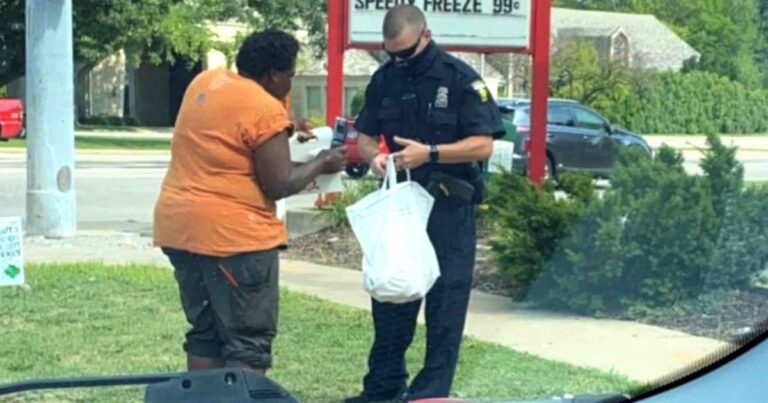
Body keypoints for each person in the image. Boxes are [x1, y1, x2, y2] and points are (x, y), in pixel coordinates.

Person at [153, 29, 346, 374]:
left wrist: (285, 126)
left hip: (179, 229)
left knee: (206, 334)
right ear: (273, 74)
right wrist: (322, 162)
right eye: (290, 75)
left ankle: (203, 398)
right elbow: (278, 183)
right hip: (235, 240)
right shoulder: (264, 110)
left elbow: (235, 129)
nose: (290, 83)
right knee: (248, 343)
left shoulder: (206, 82)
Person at [345, 5, 505, 403]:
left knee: (446, 305)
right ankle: (383, 389)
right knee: (392, 294)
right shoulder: (385, 78)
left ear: (426, 36)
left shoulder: (460, 79)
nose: (399, 60)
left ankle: (429, 394)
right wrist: (374, 157)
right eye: (391, 53)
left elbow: (483, 143)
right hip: (401, 205)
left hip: (448, 205)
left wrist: (430, 153)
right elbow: (365, 135)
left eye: (405, 52)